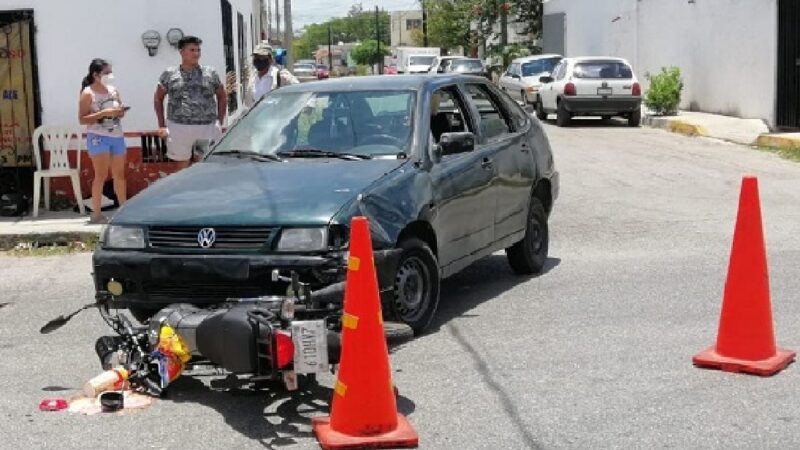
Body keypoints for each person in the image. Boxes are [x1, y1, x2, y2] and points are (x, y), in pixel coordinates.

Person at [154, 36, 226, 169]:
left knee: (204, 167)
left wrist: (219, 122)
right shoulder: (169, 74)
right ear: (182, 52)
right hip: (179, 127)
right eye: (192, 50)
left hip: (206, 127)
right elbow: (158, 98)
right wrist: (162, 125)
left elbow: (222, 96)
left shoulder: (210, 73)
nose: (196, 53)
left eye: (198, 50)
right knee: (181, 169)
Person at [78, 58, 127, 224]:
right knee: (100, 175)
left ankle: (123, 211)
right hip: (98, 137)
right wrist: (102, 113)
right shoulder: (87, 93)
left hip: (117, 136)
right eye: (106, 73)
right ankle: (96, 213)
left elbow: (119, 110)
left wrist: (120, 111)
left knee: (119, 175)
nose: (110, 76)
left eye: (110, 72)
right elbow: (82, 119)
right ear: (96, 74)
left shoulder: (113, 90)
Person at [243, 43, 299, 108]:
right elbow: (249, 102)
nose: (258, 60)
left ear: (270, 59)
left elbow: (300, 91)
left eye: (262, 57)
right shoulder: (253, 77)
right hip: (258, 117)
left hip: (276, 116)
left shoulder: (281, 76)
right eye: (256, 57)